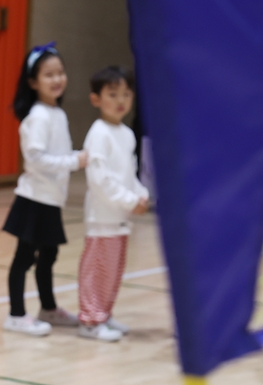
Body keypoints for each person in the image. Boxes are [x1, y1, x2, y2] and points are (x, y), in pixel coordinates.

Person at [2, 42, 88, 336]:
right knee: (24, 258)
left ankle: (48, 308)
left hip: (51, 199)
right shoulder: (37, 116)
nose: (57, 79)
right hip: (34, 199)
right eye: (49, 74)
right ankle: (15, 314)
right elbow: (36, 158)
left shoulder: (56, 113)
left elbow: (55, 153)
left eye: (60, 73)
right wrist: (75, 160)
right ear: (33, 82)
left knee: (48, 256)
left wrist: (73, 157)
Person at [77, 66, 149, 342]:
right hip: (102, 218)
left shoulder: (127, 134)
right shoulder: (99, 134)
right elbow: (100, 179)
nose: (120, 100)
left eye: (126, 94)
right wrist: (130, 201)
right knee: (97, 270)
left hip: (120, 219)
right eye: (112, 94)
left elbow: (129, 174)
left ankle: (104, 314)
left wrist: (139, 193)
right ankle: (90, 319)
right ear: (96, 99)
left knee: (114, 271)